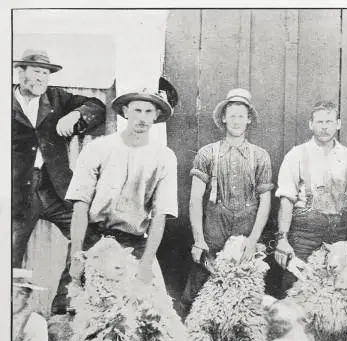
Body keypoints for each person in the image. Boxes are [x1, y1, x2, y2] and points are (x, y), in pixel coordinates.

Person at [12, 48, 107, 314]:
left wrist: (76, 115)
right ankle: (12, 322)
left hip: (55, 188)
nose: (42, 78)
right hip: (16, 192)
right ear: (20, 72)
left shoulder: (56, 98)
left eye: (46, 73)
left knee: (88, 241)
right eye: (36, 72)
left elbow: (97, 106)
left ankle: (63, 309)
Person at [66, 86, 178, 288]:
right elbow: (80, 204)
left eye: (148, 112)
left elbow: (160, 215)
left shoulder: (164, 157)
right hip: (93, 238)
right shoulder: (98, 148)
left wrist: (146, 261)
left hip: (132, 242)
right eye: (137, 110)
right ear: (126, 112)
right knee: (72, 303)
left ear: (156, 116)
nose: (142, 118)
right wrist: (76, 251)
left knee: (152, 305)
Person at [179, 88, 273, 314]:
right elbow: (195, 198)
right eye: (232, 115)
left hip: (247, 224)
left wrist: (253, 240)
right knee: (201, 278)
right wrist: (199, 239)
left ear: (249, 119)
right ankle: (188, 324)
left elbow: (265, 201)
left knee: (246, 281)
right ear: (223, 118)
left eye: (242, 115)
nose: (237, 120)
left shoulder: (260, 156)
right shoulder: (207, 153)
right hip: (214, 224)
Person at [274, 101, 347, 290]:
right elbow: (286, 199)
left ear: (338, 124)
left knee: (335, 290)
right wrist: (282, 239)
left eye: (329, 122)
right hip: (304, 235)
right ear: (311, 124)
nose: (325, 127)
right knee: (297, 288)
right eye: (320, 122)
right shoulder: (297, 154)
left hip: (339, 233)